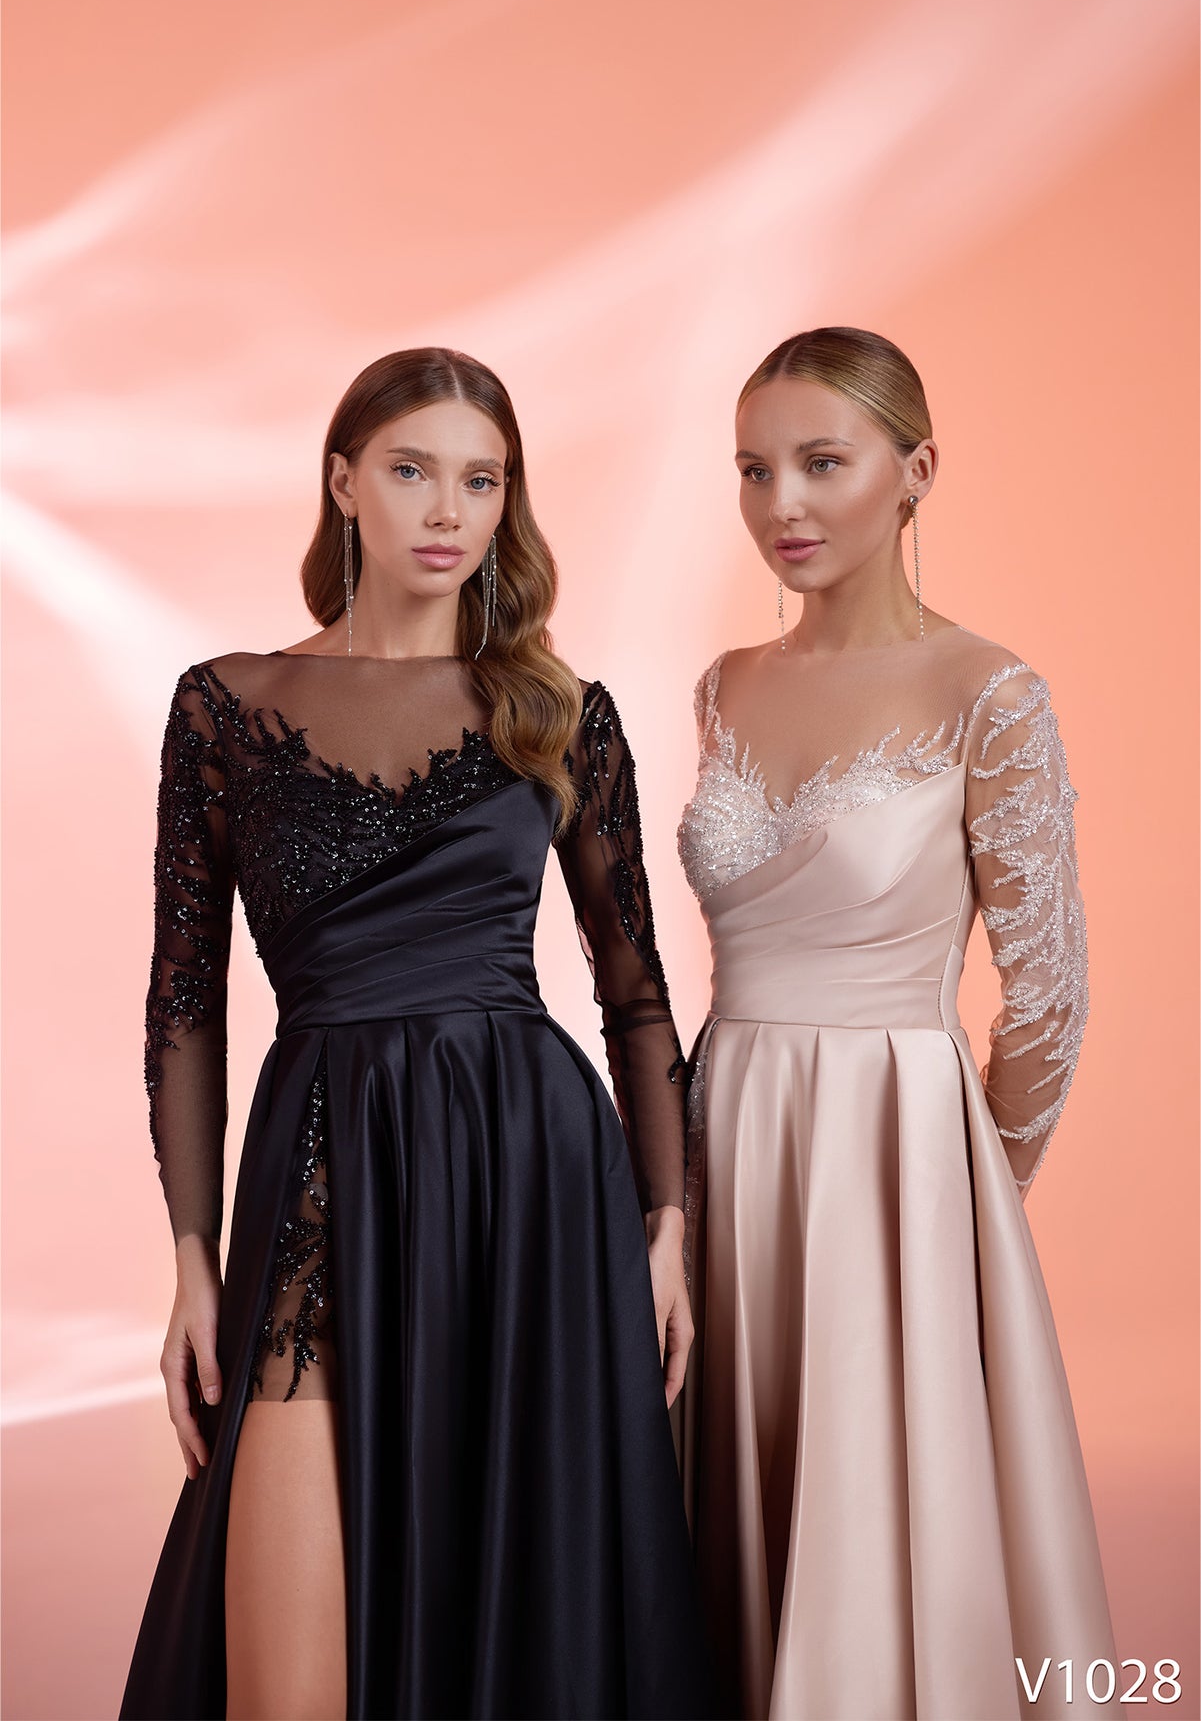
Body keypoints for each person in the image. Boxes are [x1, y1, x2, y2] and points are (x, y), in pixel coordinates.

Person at [121, 347, 712, 1721]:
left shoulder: (559, 714)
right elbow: (184, 1003)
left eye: (481, 481)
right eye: (410, 470)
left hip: (530, 1178)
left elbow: (634, 993)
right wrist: (193, 1259)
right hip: (319, 1170)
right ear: (343, 483)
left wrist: (668, 1224)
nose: (448, 511)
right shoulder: (224, 707)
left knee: (518, 1621)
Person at [677, 327, 1120, 1719]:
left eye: (822, 462)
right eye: (754, 470)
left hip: (896, 1153)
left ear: (916, 470)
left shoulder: (989, 693)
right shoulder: (725, 685)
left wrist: (966, 1195)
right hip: (723, 1131)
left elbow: (1047, 994)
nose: (782, 505)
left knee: (877, 1510)